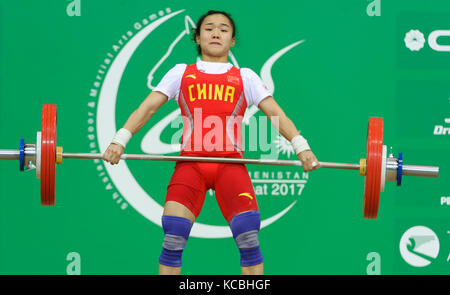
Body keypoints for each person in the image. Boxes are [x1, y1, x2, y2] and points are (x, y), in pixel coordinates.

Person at [102, 10, 320, 275]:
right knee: (173, 237)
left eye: (223, 29)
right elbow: (146, 109)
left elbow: (276, 114)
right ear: (197, 37)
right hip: (191, 164)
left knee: (248, 238)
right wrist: (119, 140)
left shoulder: (246, 77)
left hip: (230, 164)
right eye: (208, 28)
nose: (216, 33)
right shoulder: (180, 73)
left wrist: (301, 146)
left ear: (232, 40)